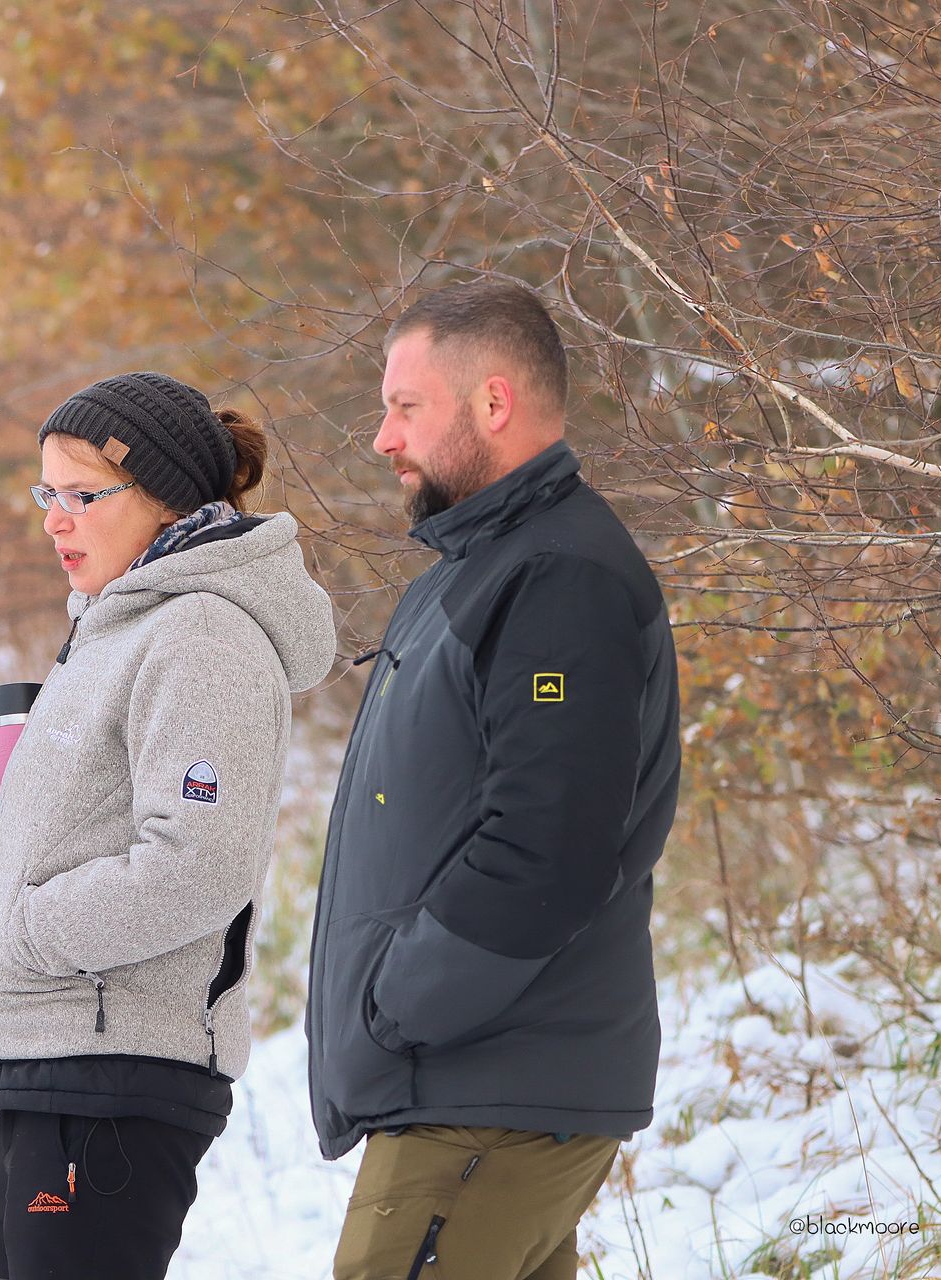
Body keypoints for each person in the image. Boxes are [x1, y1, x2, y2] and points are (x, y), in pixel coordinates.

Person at [0, 372, 335, 1280]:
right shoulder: (116, 629)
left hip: (116, 1075)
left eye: (83, 496)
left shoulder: (203, 637)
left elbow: (196, 865)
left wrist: (24, 932)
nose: (55, 520)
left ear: (166, 502)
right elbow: (65, 843)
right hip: (55, 1061)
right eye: (47, 493)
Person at [305, 281, 682, 1280]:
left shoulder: (559, 581)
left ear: (494, 402)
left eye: (405, 407)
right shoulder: (480, 567)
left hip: (488, 1084)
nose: (382, 438)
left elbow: (547, 849)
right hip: (480, 1082)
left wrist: (397, 1006)